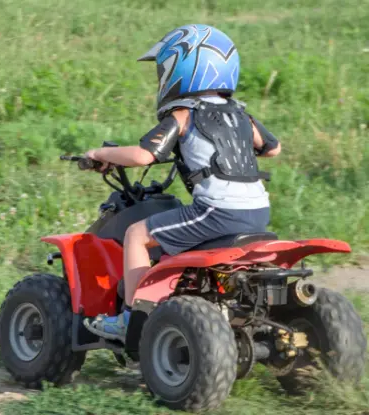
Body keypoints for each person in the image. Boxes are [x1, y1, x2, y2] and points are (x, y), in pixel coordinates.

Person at [82, 24, 281, 342]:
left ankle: (130, 319)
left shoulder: (183, 115)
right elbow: (273, 148)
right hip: (259, 211)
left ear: (182, 69)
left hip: (217, 212)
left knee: (137, 235)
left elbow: (145, 156)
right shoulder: (242, 115)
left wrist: (99, 152)